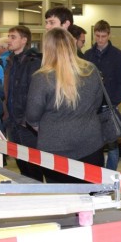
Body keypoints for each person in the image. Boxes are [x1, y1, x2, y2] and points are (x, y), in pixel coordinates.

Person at [26, 28, 106, 182]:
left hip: (55, 149)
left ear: (47, 49)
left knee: (61, 199)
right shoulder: (91, 69)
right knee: (90, 198)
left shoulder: (42, 77)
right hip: (91, 143)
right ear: (73, 44)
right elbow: (97, 103)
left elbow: (32, 115)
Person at [83, 20, 121, 171]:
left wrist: (114, 102)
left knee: (112, 143)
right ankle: (97, 174)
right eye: (97, 36)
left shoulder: (119, 56)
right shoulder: (87, 55)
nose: (100, 40)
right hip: (91, 107)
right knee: (93, 144)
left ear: (109, 35)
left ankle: (110, 175)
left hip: (109, 105)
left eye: (103, 36)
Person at [4, 25, 43, 182]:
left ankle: (39, 199)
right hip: (12, 122)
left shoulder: (34, 62)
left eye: (13, 37)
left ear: (24, 40)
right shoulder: (10, 61)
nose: (9, 40)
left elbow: (35, 93)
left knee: (34, 167)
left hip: (27, 124)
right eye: (9, 36)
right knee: (21, 165)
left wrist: (28, 119)